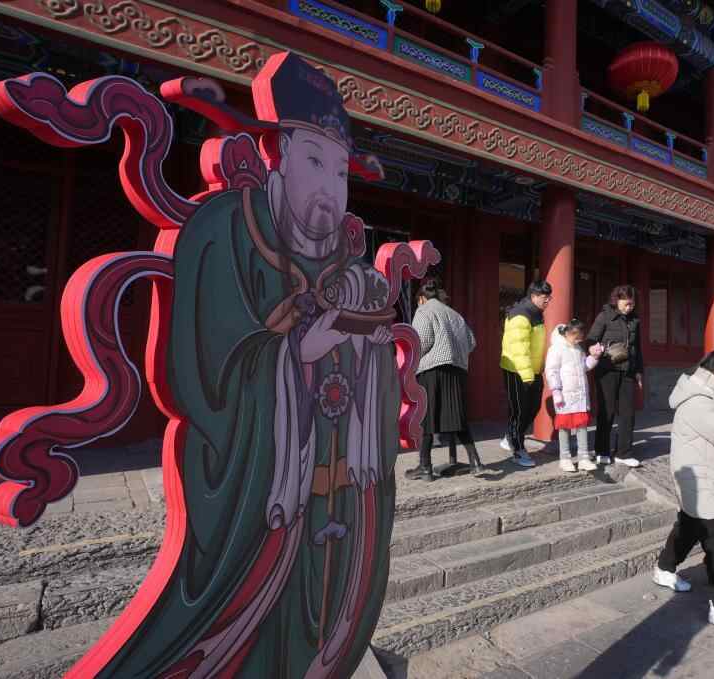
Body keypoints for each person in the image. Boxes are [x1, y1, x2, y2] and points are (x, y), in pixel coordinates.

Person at [100, 53, 401, 677]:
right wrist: (294, 355)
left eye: (340, 172)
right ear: (279, 154)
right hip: (260, 488)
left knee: (327, 593)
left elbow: (369, 361)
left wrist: (370, 350)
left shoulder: (344, 256)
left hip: (337, 481)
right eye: (314, 162)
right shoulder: (226, 230)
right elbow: (206, 372)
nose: (330, 190)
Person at [653, 350, 714, 636]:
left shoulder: (710, 395)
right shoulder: (698, 399)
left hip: (708, 476)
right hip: (701, 478)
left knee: (689, 526)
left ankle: (664, 568)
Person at [406, 278, 483, 482]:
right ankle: (475, 462)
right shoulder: (455, 314)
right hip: (457, 369)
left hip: (432, 369)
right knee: (458, 415)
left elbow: (421, 342)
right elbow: (472, 342)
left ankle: (425, 467)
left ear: (421, 299)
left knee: (426, 416)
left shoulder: (424, 311)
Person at [588, 285, 644, 467]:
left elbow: (637, 348)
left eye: (632, 304)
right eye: (626, 304)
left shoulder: (634, 320)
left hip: (628, 370)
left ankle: (624, 453)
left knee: (628, 413)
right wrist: (592, 348)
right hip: (607, 369)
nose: (629, 307)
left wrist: (639, 371)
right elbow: (591, 338)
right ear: (617, 300)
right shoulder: (605, 316)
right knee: (607, 411)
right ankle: (602, 450)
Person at [500, 280, 552, 468]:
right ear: (534, 296)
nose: (548, 301)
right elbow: (519, 348)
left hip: (532, 369)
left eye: (549, 297)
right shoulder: (521, 314)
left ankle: (510, 436)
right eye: (545, 297)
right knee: (519, 411)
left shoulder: (536, 313)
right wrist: (528, 375)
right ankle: (518, 449)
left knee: (533, 407)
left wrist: (538, 368)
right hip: (516, 370)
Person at [545, 319, 604, 473]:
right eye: (576, 337)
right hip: (564, 394)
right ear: (567, 333)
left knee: (582, 425)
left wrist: (594, 357)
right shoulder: (556, 349)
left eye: (580, 337)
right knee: (564, 427)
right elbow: (551, 371)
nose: (578, 340)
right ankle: (564, 458)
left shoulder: (578, 349)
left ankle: (583, 458)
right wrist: (556, 390)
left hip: (580, 394)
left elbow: (584, 366)